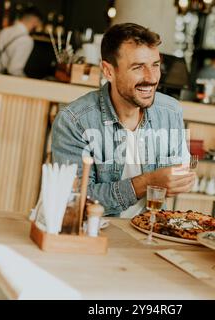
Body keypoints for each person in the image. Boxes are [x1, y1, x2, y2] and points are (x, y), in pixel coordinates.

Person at [51, 23, 195, 217]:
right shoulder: (74, 121)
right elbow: (77, 199)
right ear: (109, 71)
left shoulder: (171, 111)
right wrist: (146, 183)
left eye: (155, 65)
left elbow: (181, 171)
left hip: (151, 229)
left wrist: (181, 180)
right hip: (96, 231)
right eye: (138, 67)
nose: (152, 78)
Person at [0, 6, 42, 77]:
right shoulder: (26, 40)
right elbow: (14, 70)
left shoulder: (3, 31)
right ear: (35, 21)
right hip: (4, 81)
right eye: (38, 23)